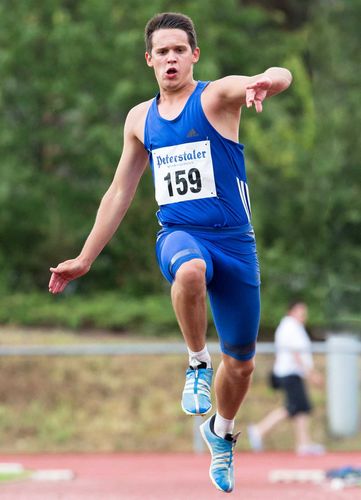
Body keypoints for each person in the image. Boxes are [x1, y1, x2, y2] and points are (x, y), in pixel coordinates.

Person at [48, 12, 292, 492]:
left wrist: (268, 80)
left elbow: (277, 75)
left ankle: (220, 433)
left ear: (194, 55)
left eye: (180, 49)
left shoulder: (218, 96)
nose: (171, 58)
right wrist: (84, 257)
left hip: (235, 243)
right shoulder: (140, 119)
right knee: (191, 270)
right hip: (179, 235)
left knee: (242, 364)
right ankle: (197, 362)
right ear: (149, 60)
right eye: (162, 51)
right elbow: (119, 192)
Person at [247, 301, 325, 456]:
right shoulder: (291, 326)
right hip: (290, 373)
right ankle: (259, 430)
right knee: (293, 407)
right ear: (291, 311)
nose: (304, 315)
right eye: (301, 311)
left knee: (301, 408)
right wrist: (311, 374)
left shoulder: (292, 326)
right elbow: (296, 353)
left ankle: (303, 443)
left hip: (291, 373)